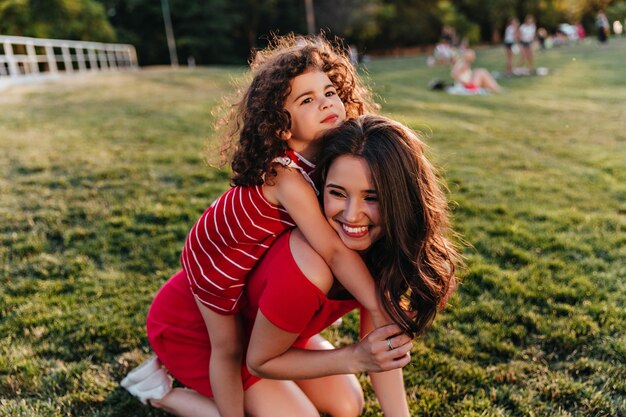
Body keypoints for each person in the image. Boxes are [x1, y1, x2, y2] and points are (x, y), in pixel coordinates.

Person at [120, 34, 388, 417]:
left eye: (330, 91)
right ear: (281, 125)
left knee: (347, 405)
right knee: (227, 351)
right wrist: (375, 301)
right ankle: (164, 391)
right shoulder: (285, 174)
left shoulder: (332, 157)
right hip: (214, 263)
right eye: (307, 100)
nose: (327, 102)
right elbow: (331, 248)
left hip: (247, 267)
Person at [136, 114, 461, 416]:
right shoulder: (310, 264)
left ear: (400, 199)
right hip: (200, 334)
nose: (351, 216)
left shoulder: (380, 248)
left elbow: (382, 348)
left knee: (348, 404)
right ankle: (160, 390)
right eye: (337, 193)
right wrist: (353, 357)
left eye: (371, 197)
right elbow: (260, 362)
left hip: (274, 336)